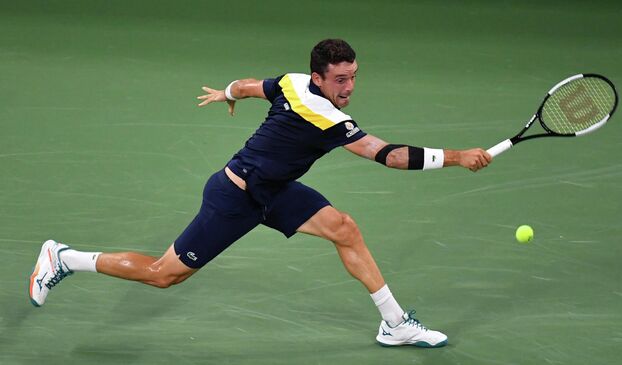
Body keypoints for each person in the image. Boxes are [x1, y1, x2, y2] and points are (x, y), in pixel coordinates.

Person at [29, 39, 491, 348]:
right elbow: (385, 154)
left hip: (274, 190)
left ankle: (394, 325)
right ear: (319, 78)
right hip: (235, 198)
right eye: (340, 80)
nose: (348, 87)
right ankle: (65, 258)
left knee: (344, 229)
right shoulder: (324, 114)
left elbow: (255, 87)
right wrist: (456, 156)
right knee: (162, 275)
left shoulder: (292, 81)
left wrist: (228, 91)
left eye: (353, 76)